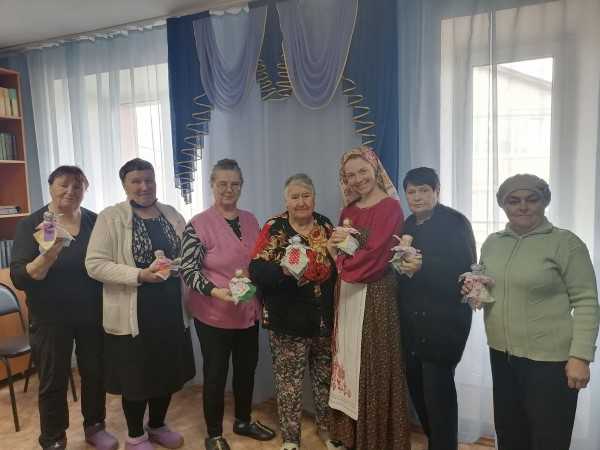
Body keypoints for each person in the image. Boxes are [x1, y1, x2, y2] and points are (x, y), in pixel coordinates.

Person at [468, 173, 599, 450]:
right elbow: (490, 286)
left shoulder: (566, 243)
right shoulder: (493, 242)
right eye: (513, 201)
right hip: (502, 355)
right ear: (503, 205)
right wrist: (475, 290)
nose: (523, 206)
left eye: (532, 199)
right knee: (510, 433)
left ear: (545, 201)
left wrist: (580, 356)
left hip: (550, 361)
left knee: (549, 438)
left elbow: (586, 301)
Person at [86, 158, 195, 450]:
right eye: (136, 181)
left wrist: (179, 265)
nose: (144, 186)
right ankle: (135, 436)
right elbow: (94, 264)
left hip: (170, 310)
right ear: (125, 185)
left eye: (149, 179)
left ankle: (157, 425)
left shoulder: (172, 214)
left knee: (166, 372)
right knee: (135, 377)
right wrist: (140, 275)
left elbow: (187, 255)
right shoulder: (111, 217)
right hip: (132, 313)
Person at [10, 166, 117, 450]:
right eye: (63, 185)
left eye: (78, 186)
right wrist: (49, 254)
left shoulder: (95, 221)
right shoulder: (32, 224)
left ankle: (95, 426)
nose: (70, 191)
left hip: (91, 313)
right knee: (53, 378)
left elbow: (107, 262)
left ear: (85, 190)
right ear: (50, 187)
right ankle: (53, 436)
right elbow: (19, 277)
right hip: (50, 316)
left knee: (94, 373)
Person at [179, 159, 275, 450]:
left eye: (234, 184)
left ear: (241, 186)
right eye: (222, 183)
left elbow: (260, 260)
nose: (228, 189)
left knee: (246, 370)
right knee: (216, 375)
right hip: (214, 315)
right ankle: (213, 433)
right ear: (212, 185)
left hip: (247, 312)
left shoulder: (251, 220)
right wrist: (215, 291)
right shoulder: (197, 224)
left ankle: (243, 421)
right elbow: (188, 269)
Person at [327, 146, 411, 450]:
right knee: (349, 360)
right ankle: (351, 436)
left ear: (375, 169)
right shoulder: (348, 211)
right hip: (348, 294)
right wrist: (337, 252)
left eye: (363, 171)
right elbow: (340, 249)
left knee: (373, 361)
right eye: (350, 175)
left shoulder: (391, 208)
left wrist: (340, 260)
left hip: (376, 294)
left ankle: (376, 440)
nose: (358, 179)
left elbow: (376, 256)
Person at [250, 174, 342, 450]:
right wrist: (283, 270)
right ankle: (291, 439)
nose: (301, 202)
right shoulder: (274, 227)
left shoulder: (326, 225)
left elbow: (338, 266)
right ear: (286, 200)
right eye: (295, 197)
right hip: (286, 321)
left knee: (325, 381)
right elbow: (256, 269)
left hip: (323, 319)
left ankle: (328, 431)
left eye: (306, 195)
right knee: (289, 385)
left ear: (314, 197)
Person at [396, 167, 475, 450]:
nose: (417, 197)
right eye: (412, 192)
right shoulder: (407, 225)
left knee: (439, 398)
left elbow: (466, 272)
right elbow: (402, 272)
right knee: (418, 394)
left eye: (424, 191)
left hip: (443, 325)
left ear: (437, 192)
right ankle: (436, 442)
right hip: (412, 326)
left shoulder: (455, 222)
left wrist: (424, 265)